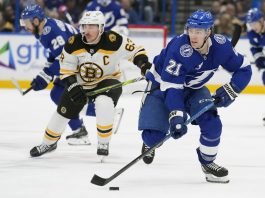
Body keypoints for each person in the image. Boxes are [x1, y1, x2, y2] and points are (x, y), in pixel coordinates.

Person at [138, 10, 252, 183]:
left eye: (198, 31)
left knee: (212, 123)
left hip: (194, 89)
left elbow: (244, 69)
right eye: (191, 30)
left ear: (209, 32)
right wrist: (177, 115)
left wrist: (232, 89)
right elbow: (172, 87)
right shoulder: (179, 48)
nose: (193, 35)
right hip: (163, 86)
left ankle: (208, 163)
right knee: (154, 137)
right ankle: (150, 142)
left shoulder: (221, 46)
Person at [29, 10, 152, 160]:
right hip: (80, 83)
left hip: (107, 81)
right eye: (84, 26)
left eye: (92, 26)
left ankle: (103, 143)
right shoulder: (74, 43)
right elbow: (66, 67)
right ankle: (47, 143)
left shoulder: (114, 40)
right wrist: (73, 85)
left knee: (103, 103)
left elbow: (136, 51)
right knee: (62, 112)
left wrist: (143, 64)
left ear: (101, 28)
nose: (87, 30)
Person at [20, 4, 91, 145]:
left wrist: (45, 76)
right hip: (79, 60)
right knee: (58, 94)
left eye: (26, 23)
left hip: (84, 61)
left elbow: (65, 59)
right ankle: (80, 131)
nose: (25, 27)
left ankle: (104, 110)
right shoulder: (44, 29)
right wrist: (45, 73)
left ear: (35, 20)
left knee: (60, 94)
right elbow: (56, 54)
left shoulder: (50, 31)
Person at [245, 8, 265, 124]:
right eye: (250, 24)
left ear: (262, 20)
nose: (252, 27)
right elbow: (255, 47)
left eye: (254, 23)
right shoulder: (252, 33)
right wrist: (259, 58)